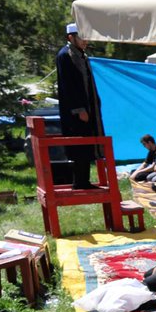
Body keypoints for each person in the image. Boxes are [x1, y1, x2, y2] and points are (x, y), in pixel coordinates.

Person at [55, 22, 104, 189]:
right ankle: (80, 182)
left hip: (87, 108)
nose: (85, 41)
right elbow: (68, 85)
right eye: (81, 38)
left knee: (87, 144)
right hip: (75, 111)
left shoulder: (81, 55)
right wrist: (79, 109)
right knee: (79, 145)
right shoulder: (65, 55)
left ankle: (84, 180)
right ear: (71, 37)